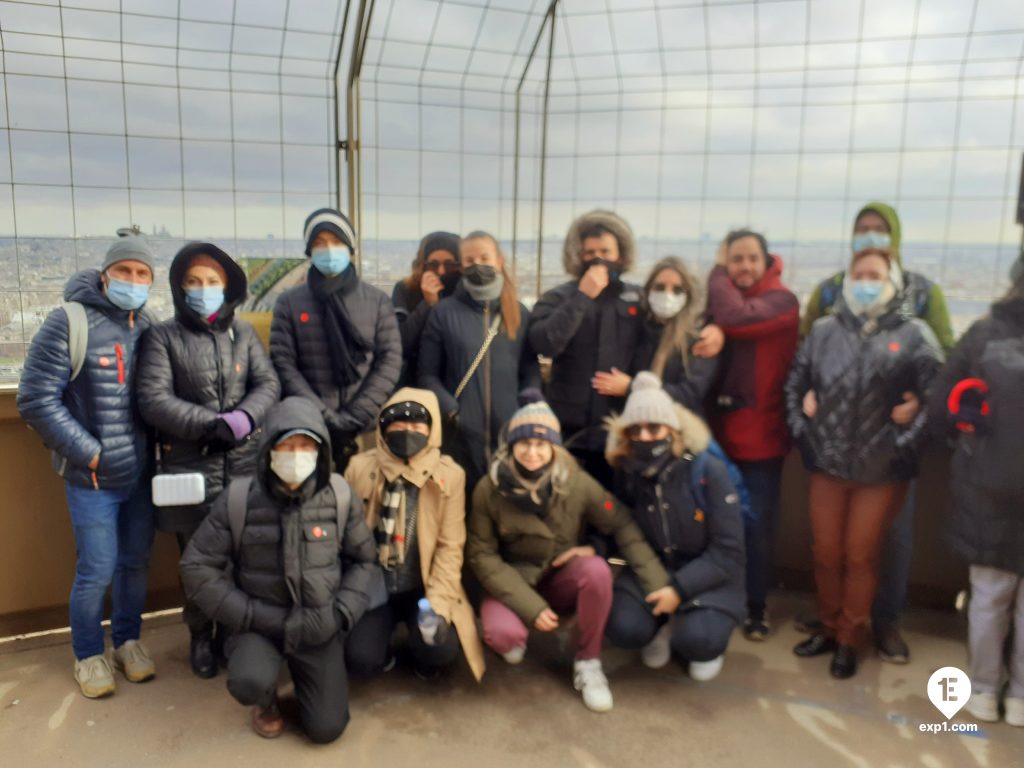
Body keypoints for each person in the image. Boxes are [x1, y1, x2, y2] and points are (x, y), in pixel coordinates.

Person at [798, 202, 955, 664]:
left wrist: (916, 409)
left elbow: (944, 360)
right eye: (861, 231)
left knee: (885, 546)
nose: (869, 238)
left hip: (887, 453)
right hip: (833, 448)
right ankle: (834, 624)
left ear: (895, 240)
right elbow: (806, 350)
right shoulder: (828, 293)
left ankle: (882, 625)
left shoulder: (923, 295)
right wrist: (808, 398)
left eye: (879, 231)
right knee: (830, 548)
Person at [179, 397, 379, 743]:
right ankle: (265, 701)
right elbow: (196, 565)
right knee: (248, 680)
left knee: (327, 729)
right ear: (269, 449)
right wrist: (247, 614)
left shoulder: (339, 495)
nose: (296, 454)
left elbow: (364, 560)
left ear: (320, 450)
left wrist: (341, 613)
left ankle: (308, 683)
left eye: (305, 445)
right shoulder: (240, 498)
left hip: (318, 624)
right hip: (259, 624)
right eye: (286, 444)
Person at [467, 391, 672, 712]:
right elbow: (482, 556)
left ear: (553, 447)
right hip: (513, 582)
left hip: (559, 576)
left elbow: (621, 522)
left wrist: (657, 581)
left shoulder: (577, 481)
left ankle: (589, 662)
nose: (532, 452)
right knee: (503, 636)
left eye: (541, 444)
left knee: (596, 569)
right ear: (511, 446)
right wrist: (530, 606)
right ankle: (517, 630)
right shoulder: (488, 489)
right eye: (524, 444)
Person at [17, 237, 158, 699]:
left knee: (135, 564)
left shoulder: (150, 326)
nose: (133, 281)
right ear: (105, 274)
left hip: (140, 476)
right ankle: (88, 654)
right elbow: (35, 397)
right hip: (93, 478)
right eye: (125, 272)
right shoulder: (68, 321)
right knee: (97, 568)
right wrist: (90, 452)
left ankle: (128, 641)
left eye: (142, 274)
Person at [136, 242, 280, 678]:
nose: (203, 290)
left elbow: (268, 383)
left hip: (244, 467)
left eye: (212, 282)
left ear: (228, 286)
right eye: (193, 282)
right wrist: (210, 425)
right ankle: (201, 636)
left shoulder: (245, 333)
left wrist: (242, 419)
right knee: (196, 562)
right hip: (189, 468)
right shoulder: (163, 336)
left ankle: (234, 635)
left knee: (244, 557)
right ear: (180, 288)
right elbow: (153, 398)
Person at [928, 254, 1024, 726]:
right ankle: (1023, 697)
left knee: (989, 595)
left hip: (987, 483)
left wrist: (968, 431)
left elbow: (941, 404)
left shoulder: (985, 334)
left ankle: (983, 691)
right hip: (993, 483)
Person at [604, 372, 745, 681]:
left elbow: (729, 550)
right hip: (652, 569)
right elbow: (620, 529)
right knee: (623, 628)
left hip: (707, 575)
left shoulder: (708, 470)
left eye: (654, 427)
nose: (644, 436)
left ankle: (695, 630)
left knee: (700, 641)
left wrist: (679, 590)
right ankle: (663, 624)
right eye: (635, 429)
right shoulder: (627, 471)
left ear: (672, 429)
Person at [344, 388, 485, 681]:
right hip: (375, 585)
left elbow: (451, 546)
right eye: (397, 423)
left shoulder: (450, 476)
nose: (407, 431)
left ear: (431, 430)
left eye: (417, 424)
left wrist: (439, 604)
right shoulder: (360, 467)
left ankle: (421, 653)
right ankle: (382, 648)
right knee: (358, 658)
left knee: (439, 649)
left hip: (422, 586)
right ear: (383, 428)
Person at [704, 229, 799, 641]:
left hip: (762, 440)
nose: (743, 267)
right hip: (720, 435)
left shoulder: (781, 301)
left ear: (767, 261)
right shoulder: (730, 300)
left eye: (750, 259)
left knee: (756, 528)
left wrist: (714, 274)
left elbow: (735, 319)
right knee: (717, 526)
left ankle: (755, 605)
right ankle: (720, 598)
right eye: (735, 259)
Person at [269, 208, 402, 472]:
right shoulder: (289, 302)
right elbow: (283, 362)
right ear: (309, 250)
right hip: (309, 429)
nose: (329, 250)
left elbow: (390, 359)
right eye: (320, 243)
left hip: (365, 429)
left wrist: (357, 414)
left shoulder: (376, 301)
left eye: (336, 242)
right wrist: (322, 415)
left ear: (350, 247)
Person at [527, 210, 645, 489]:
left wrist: (632, 386)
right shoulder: (559, 297)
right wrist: (582, 297)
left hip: (622, 430)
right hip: (569, 431)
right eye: (589, 252)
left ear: (622, 253)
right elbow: (543, 344)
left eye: (605, 250)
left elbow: (664, 347)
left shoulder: (639, 299)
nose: (597, 258)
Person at [417, 230, 539, 493]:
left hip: (510, 433)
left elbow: (529, 368)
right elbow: (426, 374)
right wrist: (452, 409)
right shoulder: (443, 312)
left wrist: (527, 404)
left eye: (485, 257)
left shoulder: (518, 312)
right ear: (461, 267)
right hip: (460, 436)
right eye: (470, 260)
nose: (478, 265)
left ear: (500, 261)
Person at [592, 256, 723, 417]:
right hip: (633, 423)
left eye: (677, 290)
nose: (667, 295)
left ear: (688, 296)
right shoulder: (635, 329)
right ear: (647, 291)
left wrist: (632, 387)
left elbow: (690, 393)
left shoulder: (698, 339)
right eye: (660, 288)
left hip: (678, 426)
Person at [391, 231, 461, 386]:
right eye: (433, 265)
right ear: (422, 265)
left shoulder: (464, 293)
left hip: (455, 380)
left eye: (449, 265)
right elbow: (401, 341)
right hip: (413, 380)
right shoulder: (406, 289)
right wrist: (428, 304)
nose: (441, 271)